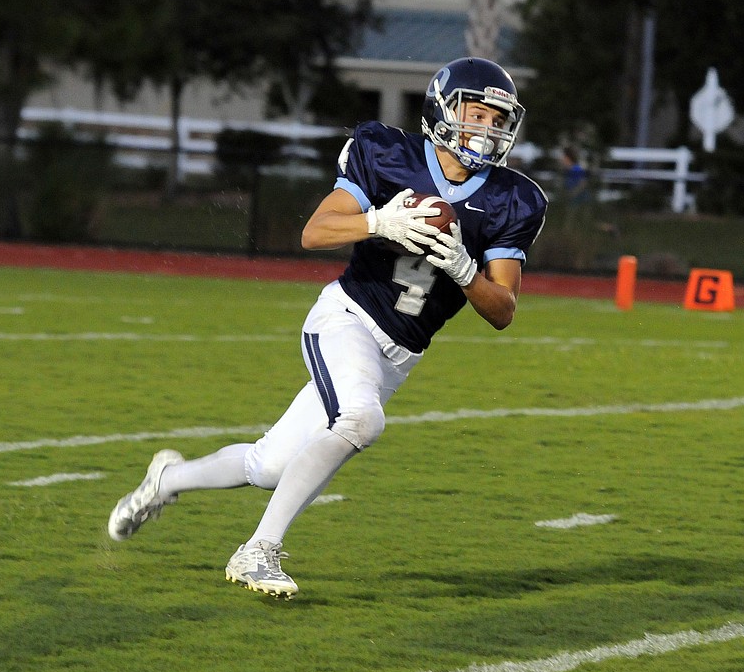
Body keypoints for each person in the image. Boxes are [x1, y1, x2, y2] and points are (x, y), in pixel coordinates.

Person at [107, 57, 548, 598]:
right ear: (441, 109)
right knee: (362, 420)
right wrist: (380, 221)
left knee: (268, 465)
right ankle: (258, 551)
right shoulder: (388, 154)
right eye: (475, 113)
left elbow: (502, 309)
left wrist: (462, 269)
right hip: (347, 318)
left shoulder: (514, 198)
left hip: (399, 354)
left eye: (497, 120)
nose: (486, 129)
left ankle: (165, 481)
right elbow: (314, 233)